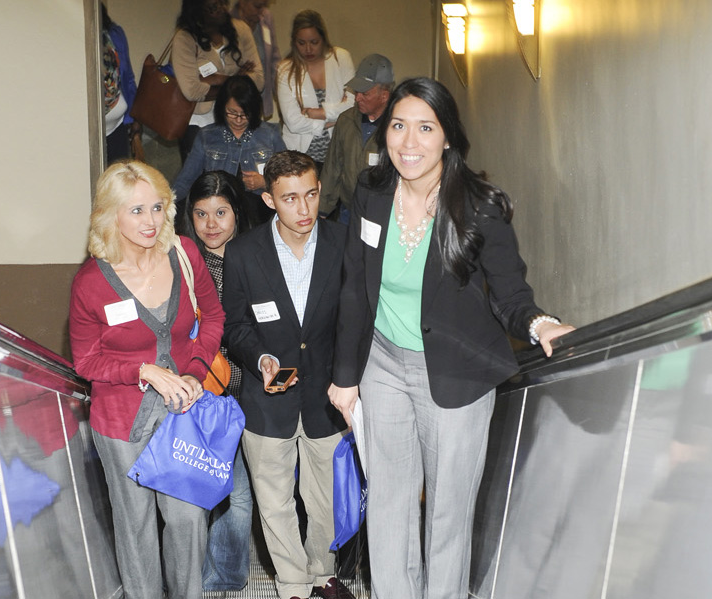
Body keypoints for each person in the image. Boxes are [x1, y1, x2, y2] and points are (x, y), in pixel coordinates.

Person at [327, 78, 575, 599]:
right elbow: (355, 289)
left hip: (456, 374)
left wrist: (538, 324)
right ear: (384, 131)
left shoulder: (478, 205)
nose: (409, 142)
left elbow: (510, 292)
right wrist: (345, 379)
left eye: (425, 127)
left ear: (447, 137)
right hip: (383, 367)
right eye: (398, 126)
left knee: (447, 513)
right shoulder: (371, 193)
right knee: (390, 506)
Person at [69, 160, 224, 599]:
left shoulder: (184, 255)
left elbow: (212, 316)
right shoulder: (90, 284)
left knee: (187, 519)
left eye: (157, 208)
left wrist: (193, 370)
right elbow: (86, 361)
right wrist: (141, 370)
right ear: (110, 215)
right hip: (121, 423)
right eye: (136, 211)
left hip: (180, 415)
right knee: (135, 527)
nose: (150, 221)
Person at [222, 151, 355, 599]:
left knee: (327, 500)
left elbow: (357, 318)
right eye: (291, 198)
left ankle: (324, 574)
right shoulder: (243, 253)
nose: (304, 210)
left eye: (312, 195)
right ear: (268, 200)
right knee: (274, 499)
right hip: (266, 396)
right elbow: (234, 324)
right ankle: (293, 584)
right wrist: (258, 358)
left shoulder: (343, 242)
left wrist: (349, 381)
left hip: (329, 395)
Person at [180, 171, 254, 592]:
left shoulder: (256, 257)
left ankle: (224, 576)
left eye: (221, 212)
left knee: (239, 492)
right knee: (213, 488)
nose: (211, 223)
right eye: (202, 213)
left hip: (250, 391)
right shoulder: (184, 264)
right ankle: (213, 576)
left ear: (236, 213)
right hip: (204, 394)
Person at [173, 75, 286, 225]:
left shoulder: (269, 134)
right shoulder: (207, 136)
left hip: (261, 213)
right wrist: (164, 203)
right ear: (222, 108)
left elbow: (288, 178)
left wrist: (265, 182)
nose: (239, 120)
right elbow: (185, 180)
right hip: (217, 212)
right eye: (232, 113)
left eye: (245, 114)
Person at [172, 0, 264, 160]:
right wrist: (238, 80)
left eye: (223, 3)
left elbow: (258, 81)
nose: (222, 10)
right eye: (214, 7)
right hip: (199, 122)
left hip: (239, 119)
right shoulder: (184, 38)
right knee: (204, 179)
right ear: (198, 9)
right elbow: (192, 91)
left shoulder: (241, 30)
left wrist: (216, 80)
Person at [319, 54, 394, 224]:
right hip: (348, 212)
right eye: (357, 91)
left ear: (384, 96)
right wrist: (322, 210)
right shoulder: (346, 121)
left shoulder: (398, 127)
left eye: (365, 94)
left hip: (385, 217)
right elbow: (333, 168)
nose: (357, 98)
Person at [276, 10, 355, 168]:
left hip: (339, 152)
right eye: (301, 43)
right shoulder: (285, 69)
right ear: (294, 42)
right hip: (301, 156)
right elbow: (293, 122)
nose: (308, 49)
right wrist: (328, 122)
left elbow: (353, 106)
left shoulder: (341, 58)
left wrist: (320, 113)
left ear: (323, 39)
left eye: (314, 42)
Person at [100, 3, 140, 163]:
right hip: (89, 132)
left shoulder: (114, 34)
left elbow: (128, 78)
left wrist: (135, 121)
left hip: (118, 126)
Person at [231, 0, 281, 119]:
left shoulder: (266, 18)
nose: (261, 11)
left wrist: (280, 93)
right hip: (237, 98)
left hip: (260, 96)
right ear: (242, 2)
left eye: (265, 5)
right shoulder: (228, 22)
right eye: (257, 6)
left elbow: (274, 57)